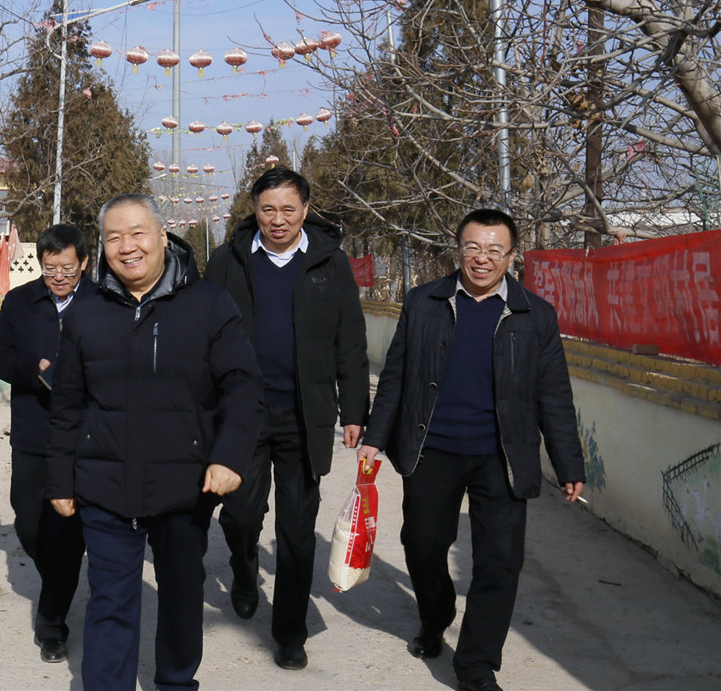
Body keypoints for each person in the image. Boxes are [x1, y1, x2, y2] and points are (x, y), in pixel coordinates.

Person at [358, 209, 586, 691]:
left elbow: (554, 395)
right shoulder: (424, 302)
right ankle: (435, 616)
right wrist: (376, 440)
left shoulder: (534, 314)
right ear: (457, 250)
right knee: (422, 547)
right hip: (432, 449)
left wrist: (569, 462)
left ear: (511, 256)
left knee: (500, 560)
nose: (482, 259)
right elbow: (397, 376)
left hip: (501, 456)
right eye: (473, 248)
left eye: (494, 250)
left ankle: (477, 664)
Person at [47, 194, 262, 691]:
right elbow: (67, 404)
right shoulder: (86, 311)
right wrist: (59, 476)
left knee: (183, 595)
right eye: (114, 237)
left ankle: (175, 681)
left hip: (184, 485)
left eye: (138, 233)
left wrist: (229, 456)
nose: (127, 247)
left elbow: (245, 387)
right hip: (104, 483)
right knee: (110, 600)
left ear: (163, 236)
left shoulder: (209, 303)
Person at [204, 167, 370, 670]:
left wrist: (355, 410)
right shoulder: (228, 260)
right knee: (238, 513)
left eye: (288, 209)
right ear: (254, 209)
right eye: (268, 209)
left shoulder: (329, 263)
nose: (278, 220)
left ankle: (290, 631)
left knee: (298, 529)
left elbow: (351, 341)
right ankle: (245, 562)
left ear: (305, 209)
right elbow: (201, 331)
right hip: (243, 414)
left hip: (305, 415)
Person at [0, 223, 95, 664]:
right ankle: (61, 580)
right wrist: (38, 367)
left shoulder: (102, 301)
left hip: (85, 436)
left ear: (84, 263)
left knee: (67, 531)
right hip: (33, 431)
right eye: (50, 269)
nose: (58, 277)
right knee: (29, 522)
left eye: (67, 269)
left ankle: (52, 623)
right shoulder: (20, 302)